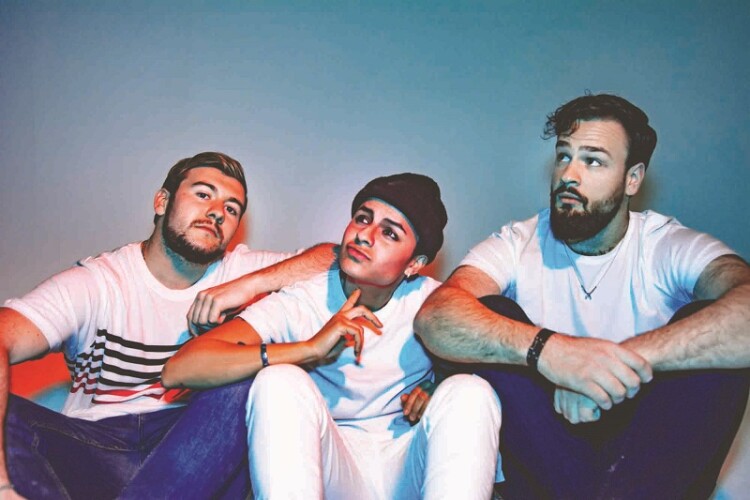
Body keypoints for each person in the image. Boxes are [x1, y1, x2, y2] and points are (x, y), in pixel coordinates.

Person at [415, 94, 750, 499]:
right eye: (563, 156)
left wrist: (603, 368)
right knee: (490, 312)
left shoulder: (665, 244)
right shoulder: (518, 242)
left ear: (632, 179)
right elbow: (436, 316)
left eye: (593, 161)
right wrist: (551, 352)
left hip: (647, 456)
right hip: (551, 449)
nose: (569, 175)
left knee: (712, 325)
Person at [0, 152, 336, 499]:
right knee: (10, 416)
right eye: (203, 194)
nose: (217, 212)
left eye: (231, 208)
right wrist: (3, 484)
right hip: (94, 449)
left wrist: (250, 286)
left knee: (250, 378)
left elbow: (337, 258)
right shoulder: (99, 283)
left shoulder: (240, 271)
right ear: (162, 202)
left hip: (193, 451)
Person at [162, 173, 503, 500]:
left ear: (414, 264)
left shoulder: (432, 304)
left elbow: (494, 358)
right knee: (278, 380)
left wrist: (441, 381)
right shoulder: (304, 300)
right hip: (332, 468)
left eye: (390, 233)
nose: (365, 235)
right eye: (362, 218)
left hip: (410, 466)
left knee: (469, 391)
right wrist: (308, 349)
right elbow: (179, 369)